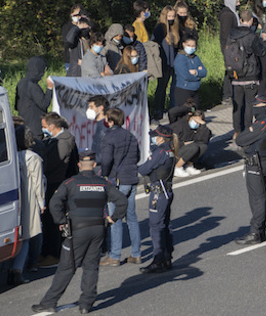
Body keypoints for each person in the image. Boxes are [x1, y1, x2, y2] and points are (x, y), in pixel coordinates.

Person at [31, 150, 127, 315]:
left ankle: (49, 303)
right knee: (91, 267)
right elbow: (122, 201)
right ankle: (86, 304)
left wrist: (61, 222)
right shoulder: (103, 183)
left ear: (79, 165)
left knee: (66, 268)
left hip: (76, 230)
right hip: (98, 229)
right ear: (95, 165)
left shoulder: (71, 183)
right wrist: (112, 219)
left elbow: (54, 203)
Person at [98, 108, 141, 267]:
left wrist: (104, 174)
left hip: (117, 181)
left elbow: (107, 160)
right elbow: (138, 156)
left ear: (109, 120)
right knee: (131, 218)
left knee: (115, 218)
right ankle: (136, 254)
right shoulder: (130, 135)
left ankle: (114, 255)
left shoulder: (108, 136)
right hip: (132, 178)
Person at [234, 93, 266, 245]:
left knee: (257, 198)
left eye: (256, 105)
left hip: (255, 164)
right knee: (261, 196)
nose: (254, 107)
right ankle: (261, 229)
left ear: (263, 106)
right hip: (261, 162)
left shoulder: (261, 124)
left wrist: (248, 138)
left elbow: (240, 140)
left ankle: (255, 232)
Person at [8, 126, 45, 286]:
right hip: (29, 198)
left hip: (15, 197)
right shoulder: (34, 158)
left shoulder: (11, 156)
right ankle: (18, 270)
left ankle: (11, 268)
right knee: (27, 236)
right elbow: (38, 183)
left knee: (17, 234)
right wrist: (41, 202)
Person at [138, 125, 178, 273]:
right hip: (166, 191)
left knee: (156, 226)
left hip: (159, 193)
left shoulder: (160, 152)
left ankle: (158, 259)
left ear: (161, 138)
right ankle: (167, 257)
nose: (153, 138)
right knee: (165, 224)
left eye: (155, 135)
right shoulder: (170, 150)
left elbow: (144, 169)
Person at [40, 113, 79, 266]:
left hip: (56, 183)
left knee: (54, 218)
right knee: (47, 219)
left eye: (44, 126)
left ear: (52, 126)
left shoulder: (64, 142)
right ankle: (46, 251)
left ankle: (54, 253)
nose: (43, 129)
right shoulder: (54, 140)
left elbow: (54, 162)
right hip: (51, 183)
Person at [227, 9, 266, 139]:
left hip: (235, 75)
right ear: (250, 20)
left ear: (240, 20)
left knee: (237, 104)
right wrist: (265, 41)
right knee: (250, 104)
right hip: (250, 76)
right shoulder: (251, 35)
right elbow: (261, 52)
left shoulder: (231, 34)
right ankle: (248, 128)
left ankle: (237, 130)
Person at [15, 56, 53, 140]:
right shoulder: (33, 86)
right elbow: (44, 104)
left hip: (23, 126)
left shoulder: (20, 83)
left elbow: (16, 106)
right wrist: (49, 88)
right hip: (35, 128)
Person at [153, 6, 180, 117]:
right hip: (163, 62)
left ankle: (163, 107)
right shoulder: (160, 28)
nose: (171, 18)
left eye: (173, 16)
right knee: (161, 86)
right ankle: (157, 108)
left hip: (171, 61)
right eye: (169, 16)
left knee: (166, 85)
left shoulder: (174, 28)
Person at [171, 110, 211, 177]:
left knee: (203, 146)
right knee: (193, 147)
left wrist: (203, 125)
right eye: (196, 121)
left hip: (187, 150)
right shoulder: (179, 126)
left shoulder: (198, 127)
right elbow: (171, 141)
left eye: (199, 122)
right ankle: (177, 167)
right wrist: (184, 144)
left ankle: (189, 166)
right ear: (191, 118)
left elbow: (203, 140)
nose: (197, 124)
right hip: (175, 152)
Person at [173, 37, 207, 108]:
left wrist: (195, 72)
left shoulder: (195, 58)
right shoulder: (180, 58)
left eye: (193, 46)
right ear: (184, 44)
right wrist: (198, 76)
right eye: (189, 45)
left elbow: (204, 72)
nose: (191, 48)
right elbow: (186, 75)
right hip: (184, 90)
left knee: (195, 112)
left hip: (195, 90)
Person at [220, 0, 241, 102]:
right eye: (237, 1)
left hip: (232, 46)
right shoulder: (228, 15)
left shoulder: (234, 13)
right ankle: (227, 95)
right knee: (230, 70)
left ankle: (230, 93)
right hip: (229, 46)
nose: (239, 3)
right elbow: (226, 33)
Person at [63, 11, 94, 76]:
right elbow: (68, 41)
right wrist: (77, 27)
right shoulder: (76, 40)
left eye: (87, 28)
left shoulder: (91, 40)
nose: (85, 30)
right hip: (76, 72)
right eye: (83, 28)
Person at [86, 95, 110, 164]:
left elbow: (103, 153)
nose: (89, 109)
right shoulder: (100, 125)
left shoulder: (104, 128)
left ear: (100, 108)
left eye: (91, 107)